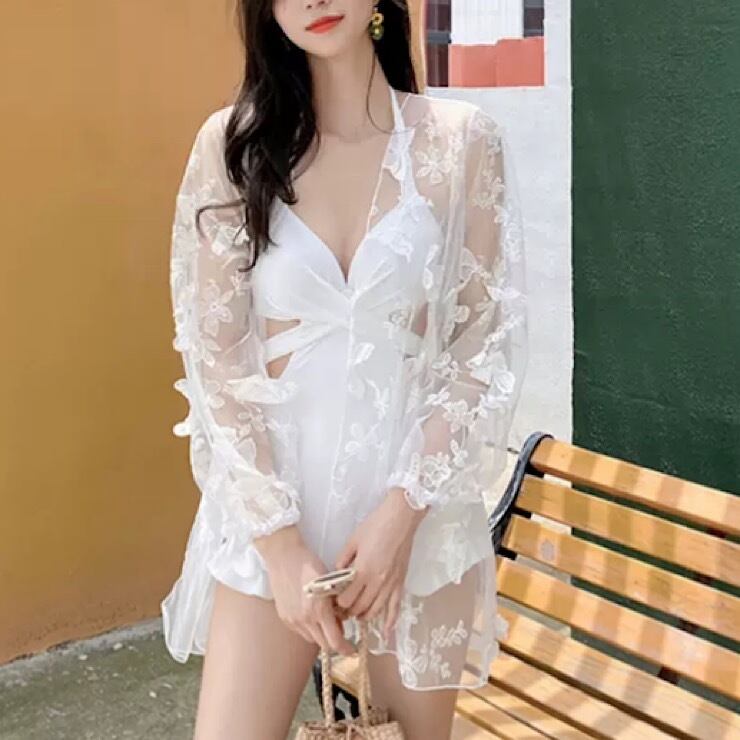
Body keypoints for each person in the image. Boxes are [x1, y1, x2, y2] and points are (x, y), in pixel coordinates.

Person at [161, 0, 528, 737]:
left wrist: (401, 517)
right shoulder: (233, 148)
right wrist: (279, 545)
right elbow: (215, 363)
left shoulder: (460, 143)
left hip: (416, 524)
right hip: (278, 521)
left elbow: (479, 350)